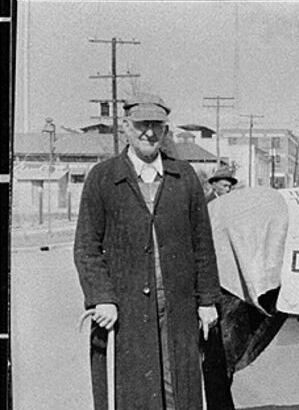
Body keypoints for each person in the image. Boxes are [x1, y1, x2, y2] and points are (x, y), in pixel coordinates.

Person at [74, 93, 221, 409]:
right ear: (126, 127)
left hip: (178, 304)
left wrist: (207, 300)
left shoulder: (185, 178)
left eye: (157, 125)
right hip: (128, 309)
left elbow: (203, 245)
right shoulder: (103, 177)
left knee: (179, 389)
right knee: (138, 393)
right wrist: (103, 297)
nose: (149, 133)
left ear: (165, 130)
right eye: (141, 125)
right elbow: (87, 247)